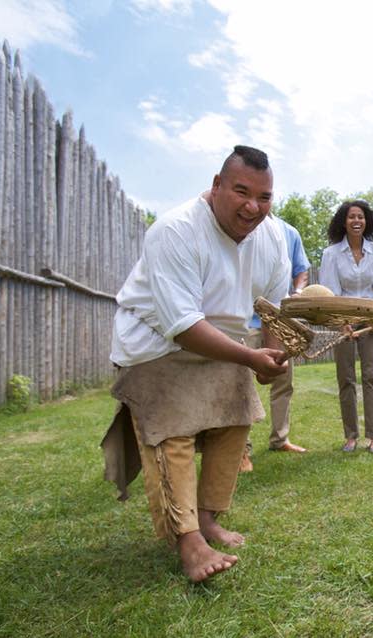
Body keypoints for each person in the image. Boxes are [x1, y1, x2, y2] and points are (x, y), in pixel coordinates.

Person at [100, 145, 291, 583]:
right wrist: (249, 355)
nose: (252, 206)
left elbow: (272, 308)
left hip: (222, 342)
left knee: (236, 418)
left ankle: (207, 520)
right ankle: (187, 540)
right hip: (156, 344)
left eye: (264, 197)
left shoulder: (273, 236)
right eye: (241, 191)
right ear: (216, 184)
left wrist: (270, 355)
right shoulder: (176, 230)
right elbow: (182, 325)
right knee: (173, 431)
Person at [319, 200, 373, 454]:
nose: (356, 221)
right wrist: (343, 324)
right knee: (346, 378)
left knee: (371, 375)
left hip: (370, 318)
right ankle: (351, 436)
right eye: (351, 217)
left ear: (367, 220)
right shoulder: (331, 254)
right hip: (344, 319)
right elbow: (331, 294)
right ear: (344, 221)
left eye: (360, 216)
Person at [239, 212, 311, 472]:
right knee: (242, 385)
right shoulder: (242, 226)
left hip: (278, 320)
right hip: (244, 321)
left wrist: (298, 291)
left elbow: (301, 269)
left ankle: (280, 438)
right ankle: (240, 450)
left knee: (283, 380)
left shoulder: (288, 232)